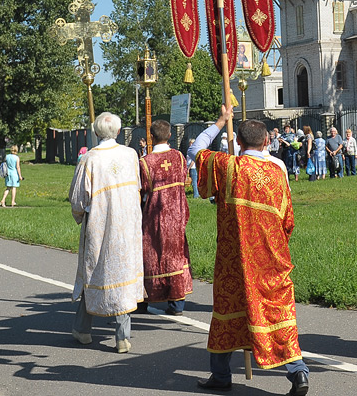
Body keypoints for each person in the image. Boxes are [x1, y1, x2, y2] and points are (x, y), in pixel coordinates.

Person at [190, 106, 309, 395]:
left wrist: (221, 121)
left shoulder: (227, 166)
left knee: (228, 311)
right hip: (271, 258)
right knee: (276, 312)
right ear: (267, 141)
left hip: (234, 259)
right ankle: (298, 372)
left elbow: (195, 148)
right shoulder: (278, 171)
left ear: (239, 143)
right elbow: (288, 219)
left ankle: (220, 375)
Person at [68, 112, 144, 353]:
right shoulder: (130, 154)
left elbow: (78, 199)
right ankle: (122, 336)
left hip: (100, 225)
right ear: (119, 132)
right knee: (121, 273)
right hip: (127, 225)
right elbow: (138, 187)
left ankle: (84, 330)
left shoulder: (89, 159)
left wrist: (81, 216)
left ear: (96, 132)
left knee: (95, 274)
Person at [139, 120, 194, 316]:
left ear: (151, 137)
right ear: (170, 135)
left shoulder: (145, 162)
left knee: (151, 255)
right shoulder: (179, 157)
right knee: (176, 254)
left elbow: (142, 189)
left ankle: (145, 300)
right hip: (177, 213)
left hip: (154, 214)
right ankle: (177, 303)